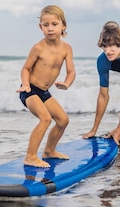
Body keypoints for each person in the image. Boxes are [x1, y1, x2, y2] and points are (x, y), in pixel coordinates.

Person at [16, 5, 76, 168]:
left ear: (63, 25)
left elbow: (71, 72)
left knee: (63, 120)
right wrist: (26, 84)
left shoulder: (66, 49)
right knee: (45, 119)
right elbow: (26, 68)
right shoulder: (38, 47)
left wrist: (66, 83)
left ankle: (49, 151)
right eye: (46, 25)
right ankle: (30, 156)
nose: (50, 28)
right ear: (40, 26)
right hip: (29, 90)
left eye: (54, 24)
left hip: (43, 92)